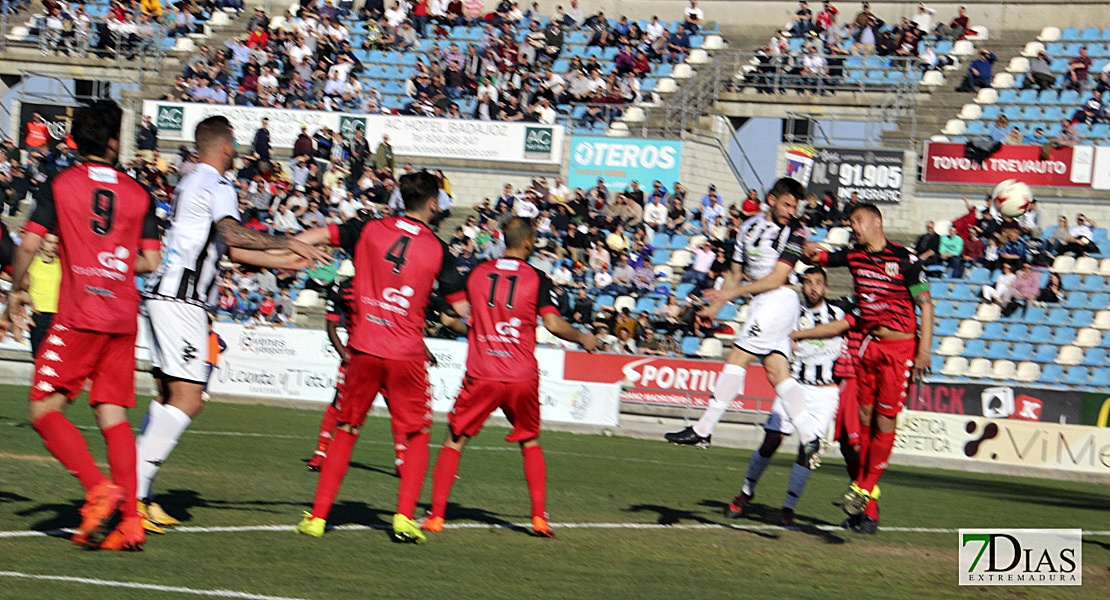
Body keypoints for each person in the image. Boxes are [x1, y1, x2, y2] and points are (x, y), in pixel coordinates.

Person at [136, 116, 328, 534]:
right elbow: (231, 232)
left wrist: (287, 260)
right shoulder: (218, 185)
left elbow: (229, 250)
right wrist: (288, 241)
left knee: (172, 397)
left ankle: (139, 493)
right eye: (235, 144)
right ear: (225, 147)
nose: (238, 150)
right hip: (181, 301)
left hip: (167, 296)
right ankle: (132, 491)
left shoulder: (190, 181)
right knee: (188, 399)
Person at [0, 100, 162, 551]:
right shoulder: (138, 192)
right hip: (122, 316)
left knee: (42, 410)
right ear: (113, 142)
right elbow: (150, 259)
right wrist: (114, 257)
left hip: (79, 315)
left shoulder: (62, 183)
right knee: (113, 417)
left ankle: (97, 487)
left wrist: (16, 290)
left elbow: (29, 241)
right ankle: (130, 522)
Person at [292, 171, 469, 544]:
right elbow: (463, 308)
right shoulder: (438, 249)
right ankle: (404, 517)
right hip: (405, 353)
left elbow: (317, 236)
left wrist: (292, 250)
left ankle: (318, 517)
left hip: (364, 346)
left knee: (347, 428)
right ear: (434, 204)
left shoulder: (368, 228)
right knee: (417, 432)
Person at [421, 218, 597, 538]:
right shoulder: (537, 277)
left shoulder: (477, 272)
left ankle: (436, 516)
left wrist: (460, 326)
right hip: (520, 376)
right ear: (529, 241)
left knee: (455, 440)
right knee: (529, 442)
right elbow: (555, 326)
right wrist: (583, 338)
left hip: (483, 372)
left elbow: (454, 315)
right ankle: (539, 518)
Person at [664, 178, 821, 470]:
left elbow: (777, 277)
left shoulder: (796, 231)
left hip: (780, 298)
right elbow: (735, 274)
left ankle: (703, 429)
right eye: (787, 204)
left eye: (795, 206)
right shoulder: (747, 228)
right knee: (777, 373)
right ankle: (810, 437)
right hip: (760, 303)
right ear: (771, 199)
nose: (791, 210)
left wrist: (729, 294)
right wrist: (716, 306)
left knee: (737, 356)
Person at [805, 202, 934, 535]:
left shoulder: (905, 259)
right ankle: (865, 499)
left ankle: (863, 489)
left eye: (858, 220)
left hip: (900, 348)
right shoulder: (853, 256)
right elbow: (818, 258)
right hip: (870, 347)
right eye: (851, 222)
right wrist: (805, 248)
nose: (854, 226)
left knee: (883, 419)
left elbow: (926, 303)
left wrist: (924, 349)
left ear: (877, 222)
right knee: (863, 419)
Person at [724, 267, 851, 527]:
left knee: (809, 451)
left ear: (826, 288)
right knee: (772, 440)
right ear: (802, 286)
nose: (813, 287)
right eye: (808, 282)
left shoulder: (838, 314)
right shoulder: (792, 315)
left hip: (825, 392)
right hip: (795, 386)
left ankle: (788, 508)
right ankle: (746, 492)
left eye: (818, 283)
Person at [26, 233, 62, 356]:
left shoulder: (62, 265)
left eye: (56, 243)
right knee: (38, 357)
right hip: (38, 315)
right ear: (41, 242)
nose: (53, 246)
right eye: (49, 242)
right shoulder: (31, 263)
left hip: (58, 317)